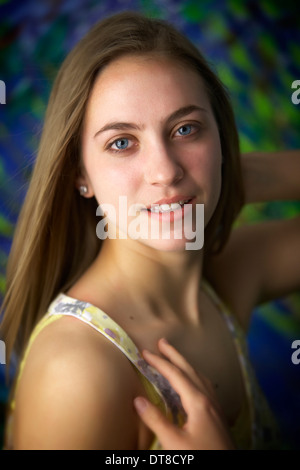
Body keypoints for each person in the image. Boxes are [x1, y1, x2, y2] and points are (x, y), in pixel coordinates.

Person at [1, 11, 299, 450]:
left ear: (221, 138)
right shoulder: (78, 370)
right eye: (121, 142)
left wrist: (230, 174)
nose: (165, 170)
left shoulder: (224, 274)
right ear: (79, 174)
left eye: (186, 129)